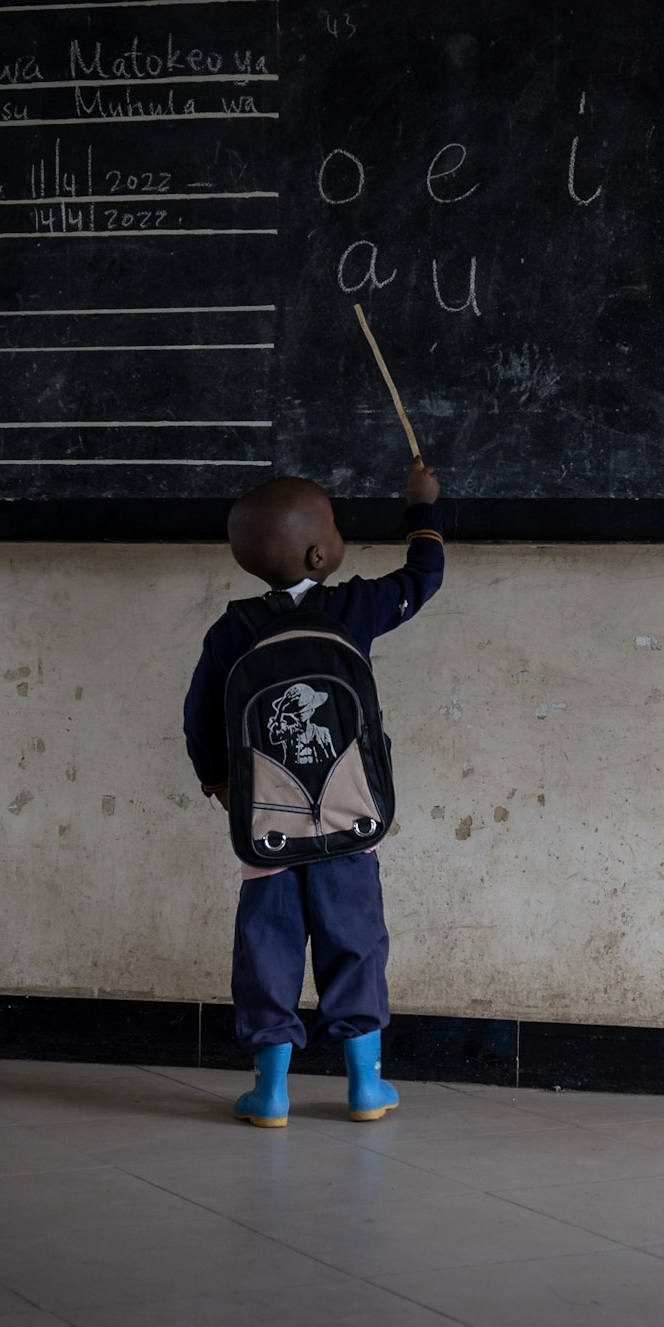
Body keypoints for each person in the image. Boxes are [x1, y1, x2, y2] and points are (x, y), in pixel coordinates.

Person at [183, 462, 444, 1127]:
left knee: (267, 951)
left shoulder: (233, 629)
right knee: (354, 942)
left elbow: (199, 719)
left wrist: (222, 789)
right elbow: (424, 578)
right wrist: (422, 508)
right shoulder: (353, 608)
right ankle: (365, 1086)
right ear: (318, 553)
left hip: (267, 828)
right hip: (349, 825)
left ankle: (270, 1093)